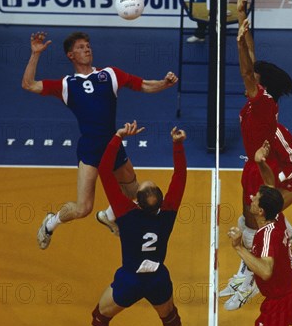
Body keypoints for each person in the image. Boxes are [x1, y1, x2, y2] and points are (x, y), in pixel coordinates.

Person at [21, 31, 178, 249]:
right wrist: (35, 54)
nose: (87, 49)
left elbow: (142, 84)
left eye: (88, 46)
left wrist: (164, 83)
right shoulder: (67, 85)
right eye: (80, 47)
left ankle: (108, 215)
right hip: (91, 151)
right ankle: (50, 223)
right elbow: (28, 84)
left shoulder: (109, 74)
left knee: (136, 194)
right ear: (70, 55)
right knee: (83, 208)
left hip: (113, 146)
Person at [221, 0, 292, 311]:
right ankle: (249, 270)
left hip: (260, 165)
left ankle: (252, 277)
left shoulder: (264, 102)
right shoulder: (264, 90)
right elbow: (253, 61)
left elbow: (245, 68)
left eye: (253, 78)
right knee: (246, 216)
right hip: (251, 164)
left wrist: (237, 41)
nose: (249, 79)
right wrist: (242, 18)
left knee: (256, 222)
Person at [88, 121, 188, 326]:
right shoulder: (168, 212)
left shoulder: (125, 212)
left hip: (130, 280)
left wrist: (118, 137)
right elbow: (180, 176)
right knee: (170, 317)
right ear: (161, 201)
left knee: (101, 317)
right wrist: (177, 145)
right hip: (157, 279)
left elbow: (104, 169)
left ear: (136, 202)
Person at [226, 178, 292, 326]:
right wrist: (261, 163)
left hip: (280, 302)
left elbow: (266, 271)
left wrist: (239, 248)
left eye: (255, 199)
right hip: (287, 295)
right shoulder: (277, 216)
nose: (251, 198)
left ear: (260, 211)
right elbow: (270, 185)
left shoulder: (266, 236)